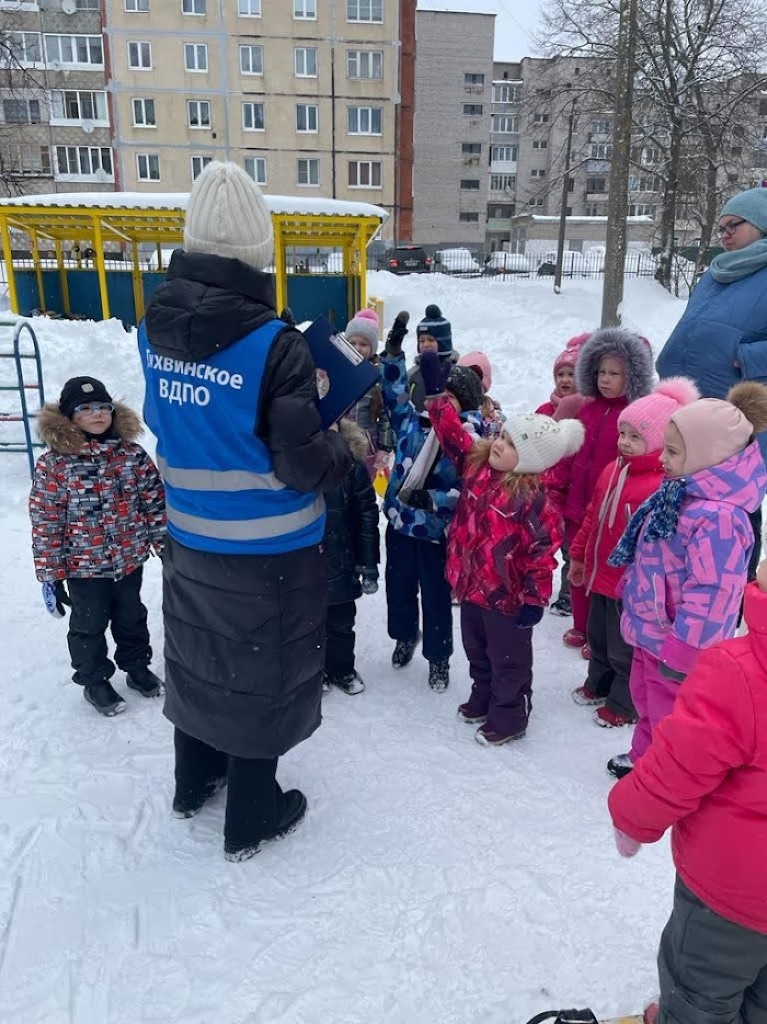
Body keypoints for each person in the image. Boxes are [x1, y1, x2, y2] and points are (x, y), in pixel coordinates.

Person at [138, 161, 353, 862]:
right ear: (259, 249)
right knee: (266, 669)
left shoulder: (151, 328)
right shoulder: (274, 343)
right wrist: (344, 448)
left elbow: (167, 419)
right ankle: (252, 813)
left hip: (188, 535)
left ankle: (193, 779)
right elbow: (299, 461)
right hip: (271, 548)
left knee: (199, 655)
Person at [608, 560, 767, 1024]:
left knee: (699, 993)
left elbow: (679, 766)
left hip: (729, 899)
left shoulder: (738, 671)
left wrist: (631, 817)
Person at [421, 348, 584, 745]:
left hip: (508, 597)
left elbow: (543, 554)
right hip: (472, 586)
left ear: (529, 461)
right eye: (502, 435)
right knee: (476, 649)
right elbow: (452, 434)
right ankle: (484, 695)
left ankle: (511, 713)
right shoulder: (477, 466)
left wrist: (534, 599)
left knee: (508, 659)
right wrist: (436, 396)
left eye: (511, 444)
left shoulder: (534, 500)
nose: (498, 443)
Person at [605, 382, 767, 780]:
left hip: (678, 646)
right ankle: (646, 758)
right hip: (653, 632)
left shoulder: (720, 519)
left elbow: (714, 596)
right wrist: (632, 588)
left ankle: (671, 776)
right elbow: (652, 552)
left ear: (707, 456)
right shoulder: (680, 492)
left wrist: (686, 651)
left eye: (673, 452)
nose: (663, 458)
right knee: (646, 700)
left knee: (672, 714)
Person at [29, 376, 166, 717]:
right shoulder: (54, 465)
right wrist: (50, 574)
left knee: (131, 617)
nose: (97, 414)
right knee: (89, 624)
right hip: (83, 566)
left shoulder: (131, 456)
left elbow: (153, 502)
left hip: (129, 558)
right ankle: (94, 681)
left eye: (103, 407)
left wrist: (163, 545)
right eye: (86, 408)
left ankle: (136, 667)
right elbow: (46, 521)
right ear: (69, 416)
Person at [569, 378, 699, 728]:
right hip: (599, 575)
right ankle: (598, 683)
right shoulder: (613, 471)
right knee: (598, 638)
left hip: (628, 585)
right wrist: (579, 555)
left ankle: (623, 704)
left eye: (635, 436)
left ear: (658, 442)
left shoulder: (660, 487)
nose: (624, 442)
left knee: (623, 647)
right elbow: (592, 517)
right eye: (622, 433)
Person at [656, 186, 767, 581]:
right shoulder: (717, 272)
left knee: (731, 507)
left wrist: (746, 357)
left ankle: (731, 595)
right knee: (689, 500)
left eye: (734, 225)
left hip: (741, 412)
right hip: (694, 407)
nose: (725, 234)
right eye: (721, 227)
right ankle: (682, 587)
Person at [380, 311, 483, 692]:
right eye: (439, 396)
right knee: (399, 590)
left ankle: (439, 657)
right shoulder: (411, 422)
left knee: (436, 598)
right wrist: (393, 353)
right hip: (400, 527)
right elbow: (393, 394)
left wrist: (433, 498)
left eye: (451, 399)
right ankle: (404, 635)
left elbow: (468, 493)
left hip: (436, 535)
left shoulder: (467, 441)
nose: (442, 404)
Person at [545, 328, 655, 654]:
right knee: (578, 564)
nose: (605, 379)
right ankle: (580, 625)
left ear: (632, 376)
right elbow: (570, 452)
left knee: (604, 572)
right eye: (602, 372)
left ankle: (599, 635)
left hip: (611, 509)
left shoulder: (633, 415)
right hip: (579, 503)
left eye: (614, 373)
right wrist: (557, 486)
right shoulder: (587, 409)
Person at [322, 421, 380, 696]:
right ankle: (315, 670)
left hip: (342, 560)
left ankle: (342, 668)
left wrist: (368, 563)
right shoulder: (294, 465)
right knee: (307, 622)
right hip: (305, 563)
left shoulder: (352, 467)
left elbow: (367, 515)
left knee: (342, 622)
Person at [536, 332, 590, 616]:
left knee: (572, 548)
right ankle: (536, 588)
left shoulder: (587, 413)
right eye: (561, 374)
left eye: (571, 374)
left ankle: (569, 596)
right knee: (540, 544)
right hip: (545, 491)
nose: (565, 380)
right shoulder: (545, 410)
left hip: (573, 492)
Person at [343, 307, 393, 480]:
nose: (357, 348)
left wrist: (384, 448)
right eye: (352, 343)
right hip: (338, 441)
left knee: (362, 487)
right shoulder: (338, 370)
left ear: (372, 348)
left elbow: (385, 416)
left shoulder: (378, 376)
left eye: (363, 344)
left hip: (366, 445)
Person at [408, 304, 459, 413]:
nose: (426, 345)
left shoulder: (456, 373)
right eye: (421, 341)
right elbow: (402, 400)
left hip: (448, 422)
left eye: (431, 340)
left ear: (443, 343)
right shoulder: (413, 374)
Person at [457, 350, 506, 434]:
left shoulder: (495, 418)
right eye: (461, 380)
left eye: (474, 382)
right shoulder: (447, 404)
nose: (467, 387)